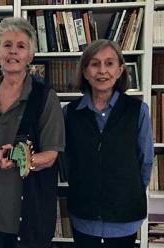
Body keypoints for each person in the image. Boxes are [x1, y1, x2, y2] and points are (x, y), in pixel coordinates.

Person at [0, 17, 65, 248]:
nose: (13, 52)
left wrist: (22, 160)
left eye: (21, 46)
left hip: (32, 209)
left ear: (30, 56)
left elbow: (51, 155)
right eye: (7, 45)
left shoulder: (45, 98)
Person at [64, 39, 154, 248]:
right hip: (83, 213)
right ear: (85, 71)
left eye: (109, 63)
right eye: (94, 64)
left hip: (125, 214)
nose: (102, 70)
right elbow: (67, 159)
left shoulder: (138, 110)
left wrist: (127, 191)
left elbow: (145, 161)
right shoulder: (70, 113)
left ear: (121, 69)